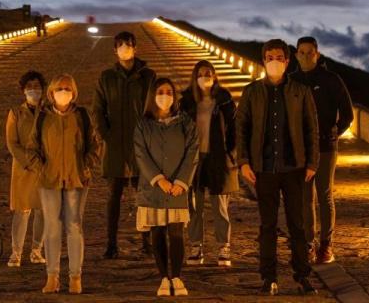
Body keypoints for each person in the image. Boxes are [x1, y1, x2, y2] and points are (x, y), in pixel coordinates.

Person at [236, 39, 319, 296]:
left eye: (279, 57)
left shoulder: (300, 91)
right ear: (264, 61)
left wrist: (312, 162)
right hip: (265, 169)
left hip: (294, 167)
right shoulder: (252, 92)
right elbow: (241, 128)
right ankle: (268, 276)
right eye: (270, 57)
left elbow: (311, 128)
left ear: (287, 60)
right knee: (267, 225)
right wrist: (244, 161)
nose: (274, 61)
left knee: (297, 225)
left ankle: (302, 275)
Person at [29, 74, 101, 295]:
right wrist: (40, 167)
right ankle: (52, 276)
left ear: (74, 92)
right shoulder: (43, 117)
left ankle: (75, 276)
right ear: (51, 92)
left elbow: (95, 145)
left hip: (76, 179)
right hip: (49, 180)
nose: (63, 92)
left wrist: (85, 165)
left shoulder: (82, 116)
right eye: (59, 88)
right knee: (52, 228)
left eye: (67, 88)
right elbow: (33, 146)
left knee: (74, 227)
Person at [92, 30, 156, 258]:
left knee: (145, 196)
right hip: (116, 144)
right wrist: (105, 135)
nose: (125, 48)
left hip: (142, 145)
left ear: (135, 47)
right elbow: (98, 109)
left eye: (128, 44)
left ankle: (147, 241)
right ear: (114, 49)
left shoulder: (148, 76)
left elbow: (155, 108)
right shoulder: (107, 77)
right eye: (120, 45)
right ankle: (111, 244)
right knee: (113, 197)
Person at [134, 78, 199, 297]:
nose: (165, 96)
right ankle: (163, 276)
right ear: (152, 96)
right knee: (158, 232)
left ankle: (177, 276)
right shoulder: (143, 124)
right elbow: (141, 154)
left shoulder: (185, 123)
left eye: (169, 92)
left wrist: (181, 181)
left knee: (176, 232)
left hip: (177, 189)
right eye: (160, 92)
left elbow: (192, 152)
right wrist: (159, 179)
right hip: (153, 189)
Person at [293, 36, 353, 265]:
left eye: (310, 52)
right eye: (302, 52)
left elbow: (347, 114)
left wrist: (335, 132)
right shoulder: (292, 81)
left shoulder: (331, 80)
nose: (306, 56)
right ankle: (309, 243)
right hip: (301, 149)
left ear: (317, 55)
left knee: (324, 194)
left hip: (326, 147)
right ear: (296, 55)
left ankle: (326, 245)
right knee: (305, 197)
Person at [179, 60, 238, 267]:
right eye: (202, 73)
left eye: (209, 72)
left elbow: (234, 130)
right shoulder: (186, 101)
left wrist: (231, 154)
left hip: (217, 159)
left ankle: (224, 247)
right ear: (195, 77)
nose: (206, 76)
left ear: (214, 76)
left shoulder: (224, 100)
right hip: (194, 160)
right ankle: (196, 246)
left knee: (219, 205)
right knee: (193, 205)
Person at [4, 71, 47, 267]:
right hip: (23, 168)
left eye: (36, 86)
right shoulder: (16, 113)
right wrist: (28, 161)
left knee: (43, 211)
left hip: (44, 167)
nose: (33, 90)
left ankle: (37, 249)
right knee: (22, 211)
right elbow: (12, 143)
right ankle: (16, 252)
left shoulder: (48, 111)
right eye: (29, 87)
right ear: (23, 90)